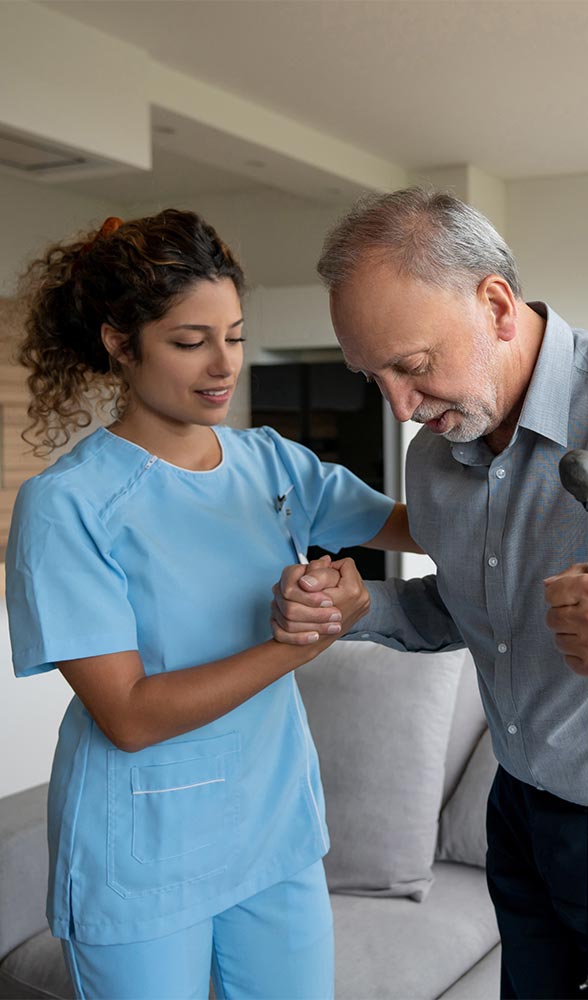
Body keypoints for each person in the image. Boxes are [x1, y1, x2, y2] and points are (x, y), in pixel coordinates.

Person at [5, 208, 419, 1000]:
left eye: (233, 334)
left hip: (274, 830)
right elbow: (127, 715)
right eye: (189, 342)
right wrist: (304, 640)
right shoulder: (71, 505)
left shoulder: (271, 462)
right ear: (119, 344)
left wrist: (476, 424)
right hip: (141, 853)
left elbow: (407, 522)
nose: (222, 364)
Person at [270, 188, 588, 999]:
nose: (402, 410)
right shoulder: (436, 461)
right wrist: (362, 609)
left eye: (412, 367)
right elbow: (470, 613)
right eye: (372, 378)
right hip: (519, 810)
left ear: (496, 304)